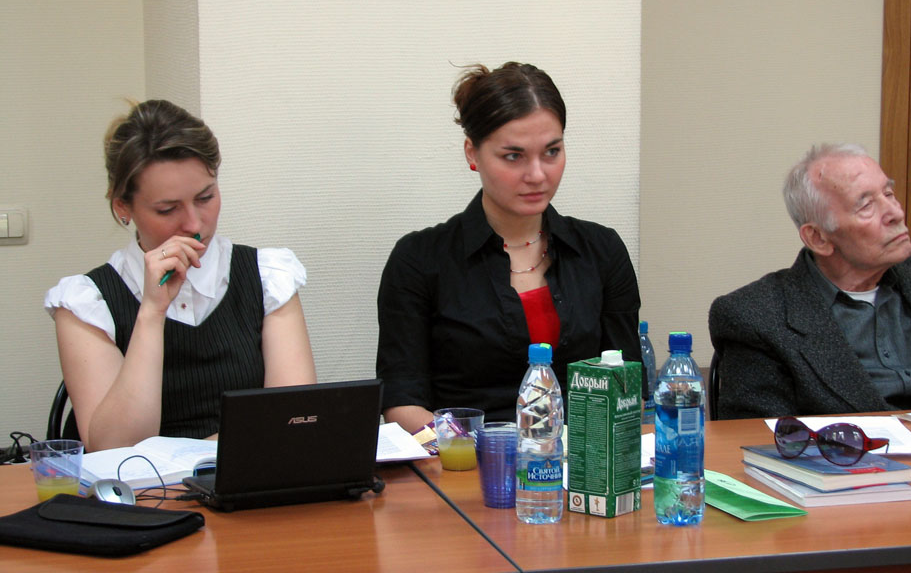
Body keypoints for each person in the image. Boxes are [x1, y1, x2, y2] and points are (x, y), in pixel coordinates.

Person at [376, 62, 642, 434]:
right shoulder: (419, 260)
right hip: (464, 458)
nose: (537, 174)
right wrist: (488, 451)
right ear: (472, 153)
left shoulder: (601, 251)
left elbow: (627, 386)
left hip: (584, 456)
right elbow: (402, 405)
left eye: (551, 152)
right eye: (514, 156)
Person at [44, 100, 316, 450]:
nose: (194, 224)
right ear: (123, 207)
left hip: (247, 475)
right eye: (167, 209)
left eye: (206, 197)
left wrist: (194, 453)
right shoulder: (86, 300)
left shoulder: (267, 276)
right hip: (140, 482)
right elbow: (115, 449)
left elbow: (293, 421)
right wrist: (151, 312)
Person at [709, 142, 911, 419]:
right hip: (845, 464)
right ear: (818, 238)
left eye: (889, 193)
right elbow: (758, 437)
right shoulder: (757, 317)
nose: (895, 213)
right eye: (866, 205)